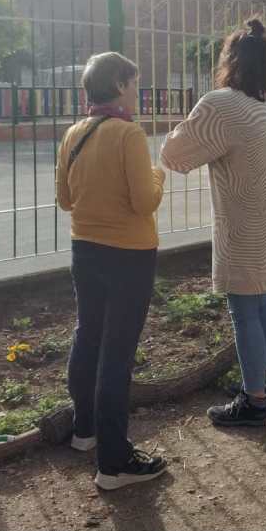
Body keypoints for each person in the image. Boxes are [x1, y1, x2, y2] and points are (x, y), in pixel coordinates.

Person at [161, 18, 266, 428]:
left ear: (228, 61)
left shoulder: (220, 104)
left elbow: (173, 155)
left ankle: (254, 401)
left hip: (245, 224)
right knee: (264, 300)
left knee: (243, 309)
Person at [55, 52, 167, 490]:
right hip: (130, 255)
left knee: (88, 335)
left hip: (85, 249)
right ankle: (114, 463)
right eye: (134, 84)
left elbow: (65, 200)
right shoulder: (129, 134)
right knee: (117, 353)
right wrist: (158, 175)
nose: (137, 93)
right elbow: (145, 201)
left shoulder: (74, 133)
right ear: (120, 86)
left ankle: (84, 431)